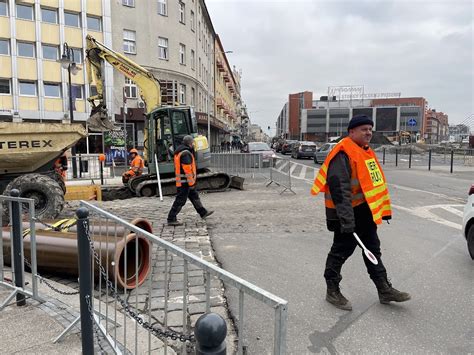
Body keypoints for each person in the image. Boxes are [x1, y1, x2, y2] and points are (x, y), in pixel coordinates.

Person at [311, 115, 410, 311]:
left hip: (365, 213)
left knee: (373, 249)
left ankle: (384, 289)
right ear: (351, 132)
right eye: (364, 129)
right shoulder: (343, 153)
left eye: (370, 129)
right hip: (346, 215)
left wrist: (382, 210)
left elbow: (372, 184)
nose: (368, 132)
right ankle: (332, 290)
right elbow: (340, 191)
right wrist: (347, 220)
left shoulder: (366, 152)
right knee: (340, 252)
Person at [167, 135, 214, 226]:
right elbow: (187, 170)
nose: (193, 144)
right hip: (185, 182)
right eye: (193, 142)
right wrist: (191, 183)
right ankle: (171, 218)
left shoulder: (180, 151)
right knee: (180, 200)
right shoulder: (185, 153)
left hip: (183, 181)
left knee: (194, 196)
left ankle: (203, 212)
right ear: (190, 143)